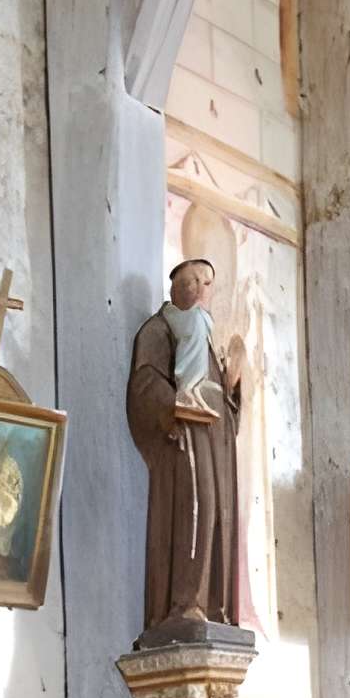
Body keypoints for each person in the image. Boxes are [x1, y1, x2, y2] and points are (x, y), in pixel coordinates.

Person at [127, 258, 250, 638]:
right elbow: (145, 384)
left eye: (207, 282)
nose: (200, 288)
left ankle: (214, 606)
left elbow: (224, 399)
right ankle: (184, 604)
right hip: (184, 443)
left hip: (213, 443)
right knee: (196, 510)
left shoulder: (203, 333)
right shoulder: (159, 330)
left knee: (219, 515)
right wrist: (172, 406)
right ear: (174, 286)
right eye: (192, 280)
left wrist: (232, 387)